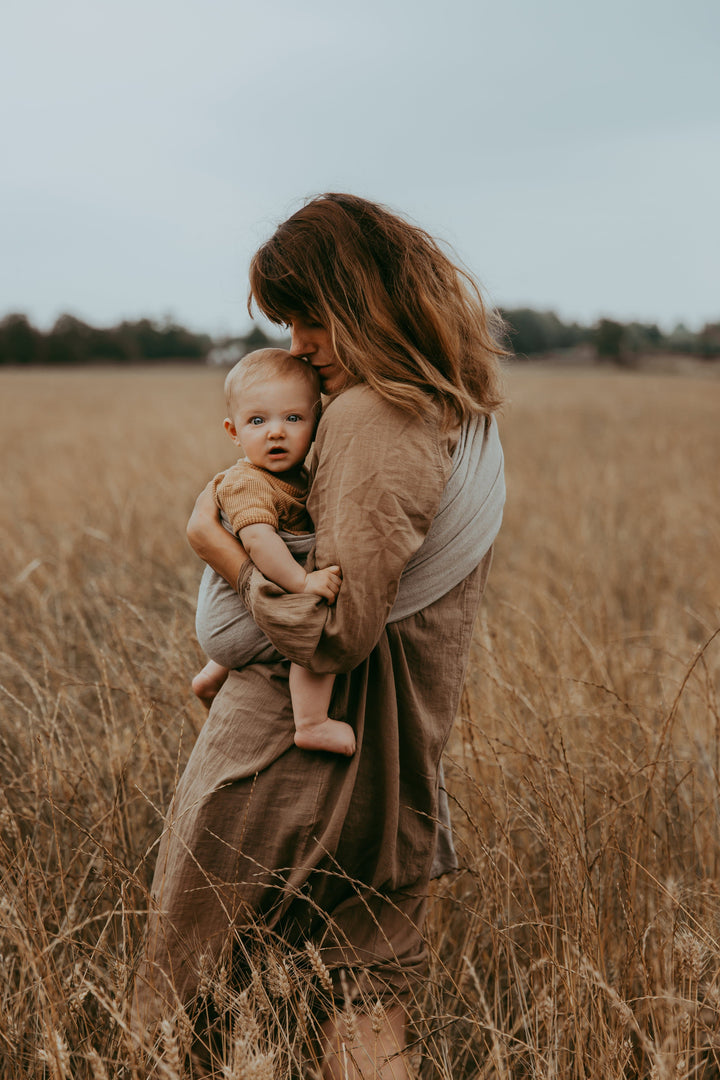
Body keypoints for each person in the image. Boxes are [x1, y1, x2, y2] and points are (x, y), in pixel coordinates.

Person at [134, 193, 507, 1078]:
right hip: (389, 756)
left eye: (310, 317)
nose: (297, 343)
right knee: (359, 1003)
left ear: (366, 300)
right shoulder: (455, 407)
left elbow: (334, 629)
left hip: (292, 768)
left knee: (204, 1005)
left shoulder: (376, 417)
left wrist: (218, 551)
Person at [191, 346, 356, 756]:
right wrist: (303, 582)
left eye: (293, 418)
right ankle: (312, 722)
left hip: (232, 617)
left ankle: (212, 675)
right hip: (229, 619)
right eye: (258, 421)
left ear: (315, 425)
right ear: (234, 431)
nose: (275, 431)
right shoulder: (247, 482)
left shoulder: (299, 478)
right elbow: (259, 542)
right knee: (316, 629)